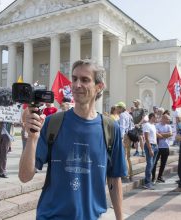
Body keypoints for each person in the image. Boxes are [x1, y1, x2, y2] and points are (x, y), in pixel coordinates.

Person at [19, 59, 127, 220]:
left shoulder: (111, 128)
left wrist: (120, 218)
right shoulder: (53, 122)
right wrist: (32, 138)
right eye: (74, 78)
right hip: (51, 216)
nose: (76, 85)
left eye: (85, 80)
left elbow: (114, 178)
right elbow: (24, 176)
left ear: (99, 87)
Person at [151, 114, 172, 183]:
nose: (169, 120)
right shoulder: (157, 125)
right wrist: (166, 134)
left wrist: (161, 134)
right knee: (154, 162)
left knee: (163, 163)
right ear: (163, 118)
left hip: (166, 147)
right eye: (167, 119)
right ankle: (153, 177)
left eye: (169, 119)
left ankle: (160, 176)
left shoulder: (169, 126)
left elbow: (170, 134)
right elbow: (157, 135)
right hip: (157, 147)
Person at [116, 101, 134, 181]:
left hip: (125, 137)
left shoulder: (122, 115)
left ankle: (125, 175)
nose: (117, 109)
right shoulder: (129, 115)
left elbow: (122, 127)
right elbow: (132, 126)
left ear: (121, 108)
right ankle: (131, 174)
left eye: (118, 108)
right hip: (129, 136)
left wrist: (121, 138)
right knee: (128, 157)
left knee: (124, 156)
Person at [143, 113, 158, 189]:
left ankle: (149, 180)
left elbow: (155, 135)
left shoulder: (153, 125)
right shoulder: (147, 125)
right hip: (150, 146)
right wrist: (150, 149)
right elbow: (147, 138)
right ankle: (147, 182)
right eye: (155, 117)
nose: (157, 118)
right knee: (150, 164)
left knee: (152, 164)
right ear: (152, 117)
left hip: (155, 145)